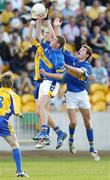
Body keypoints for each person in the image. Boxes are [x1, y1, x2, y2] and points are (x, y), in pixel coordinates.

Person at [40, 44, 100, 161]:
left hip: (82, 95)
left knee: (88, 122)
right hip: (71, 95)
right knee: (73, 122)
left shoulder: (87, 66)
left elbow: (79, 72)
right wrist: (55, 27)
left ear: (87, 55)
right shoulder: (71, 58)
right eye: (81, 48)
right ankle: (71, 140)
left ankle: (92, 148)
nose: (80, 50)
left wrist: (66, 66)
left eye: (83, 50)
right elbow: (61, 46)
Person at [28, 15, 67, 149]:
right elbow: (41, 35)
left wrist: (47, 73)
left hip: (51, 82)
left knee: (42, 108)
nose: (51, 38)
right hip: (42, 81)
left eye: (54, 39)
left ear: (57, 44)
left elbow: (61, 76)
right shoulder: (48, 48)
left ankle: (44, 133)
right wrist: (45, 21)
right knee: (40, 110)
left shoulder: (58, 57)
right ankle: (59, 132)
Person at [0, 72, 29, 177]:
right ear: (12, 84)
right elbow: (17, 112)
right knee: (15, 145)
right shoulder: (13, 95)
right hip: (2, 121)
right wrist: (20, 114)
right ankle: (19, 171)